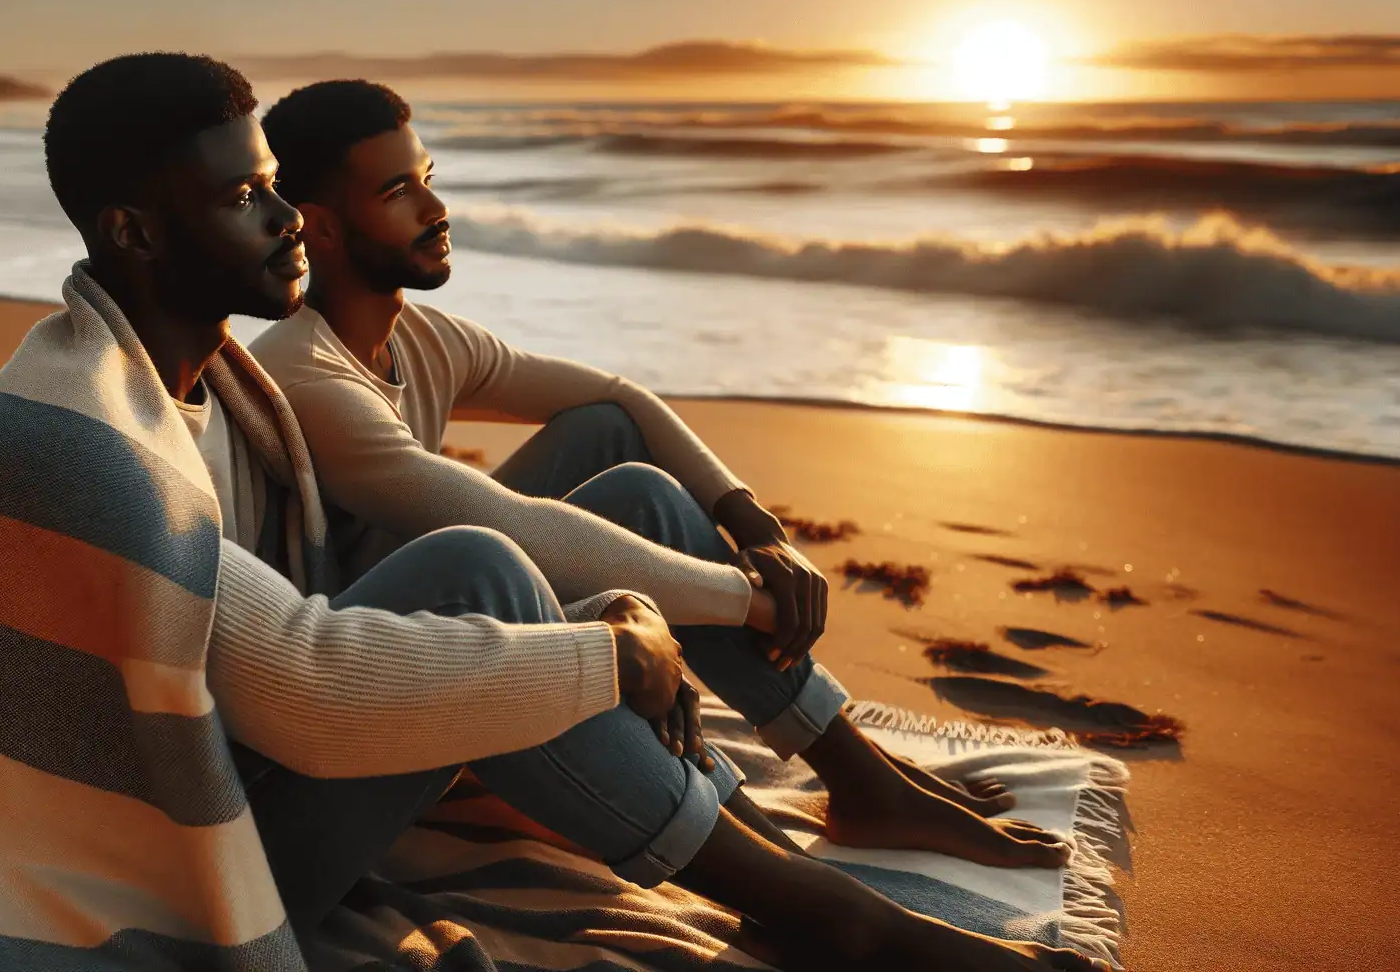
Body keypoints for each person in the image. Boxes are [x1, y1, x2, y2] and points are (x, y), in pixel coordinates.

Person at [0, 52, 1105, 972]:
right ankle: (830, 920)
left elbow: (591, 418)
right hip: (161, 867)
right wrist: (607, 656)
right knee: (483, 568)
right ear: (133, 231)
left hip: (231, 770)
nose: (285, 225)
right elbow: (314, 694)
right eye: (244, 198)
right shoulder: (88, 437)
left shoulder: (204, 378)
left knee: (522, 555)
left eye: (277, 191)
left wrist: (662, 577)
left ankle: (805, 851)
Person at [250, 79, 1062, 872]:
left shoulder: (425, 339)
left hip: (470, 641)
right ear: (318, 227)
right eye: (399, 192)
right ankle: (767, 845)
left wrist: (753, 526)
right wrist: (748, 600)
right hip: (397, 696)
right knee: (506, 545)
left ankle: (857, 779)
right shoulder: (301, 371)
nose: (436, 211)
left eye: (430, 180)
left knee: (619, 454)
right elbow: (508, 526)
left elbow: (619, 398)